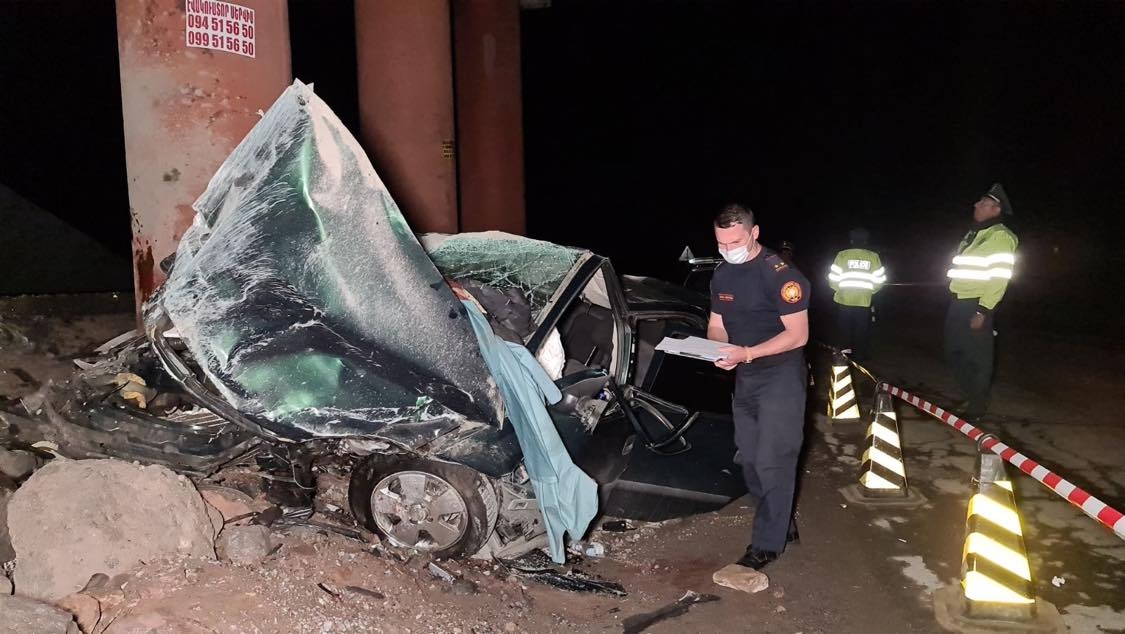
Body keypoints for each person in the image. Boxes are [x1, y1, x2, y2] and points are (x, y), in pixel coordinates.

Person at [706, 204, 809, 579]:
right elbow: (717, 323)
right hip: (746, 377)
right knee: (748, 458)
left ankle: (767, 544)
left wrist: (747, 353)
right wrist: (715, 349)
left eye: (734, 242)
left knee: (773, 459)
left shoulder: (781, 275)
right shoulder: (722, 274)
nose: (727, 250)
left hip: (781, 376)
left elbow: (798, 335)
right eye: (720, 243)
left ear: (754, 233)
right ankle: (780, 521)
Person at [944, 183, 1018, 422]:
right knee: (954, 353)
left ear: (996, 210)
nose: (976, 205)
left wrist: (983, 309)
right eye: (979, 201)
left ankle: (977, 406)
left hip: (976, 304)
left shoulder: (1000, 236)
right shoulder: (974, 234)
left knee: (977, 357)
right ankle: (972, 395)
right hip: (958, 302)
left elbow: (999, 278)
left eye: (983, 203)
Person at [827, 228, 886, 361]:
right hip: (863, 300)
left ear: (851, 240)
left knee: (844, 328)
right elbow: (879, 281)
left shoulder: (842, 255)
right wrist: (870, 291)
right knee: (861, 329)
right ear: (866, 241)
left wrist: (839, 290)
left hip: (844, 299)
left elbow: (833, 278)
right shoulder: (873, 256)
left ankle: (844, 355)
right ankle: (859, 355)